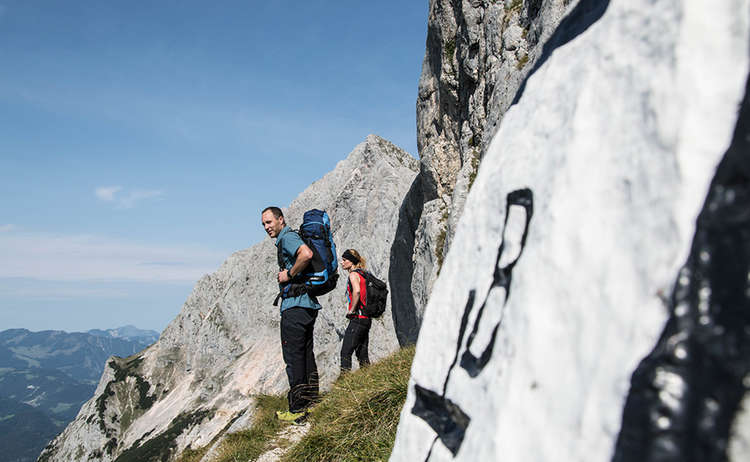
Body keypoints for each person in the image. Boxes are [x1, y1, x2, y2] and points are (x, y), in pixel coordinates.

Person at [261, 206, 320, 423]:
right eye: (264, 224)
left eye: (269, 222)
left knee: (294, 358)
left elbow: (306, 254)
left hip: (294, 307)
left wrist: (288, 274)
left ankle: (297, 409)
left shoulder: (288, 238)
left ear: (280, 219)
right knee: (306, 356)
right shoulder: (289, 237)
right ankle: (312, 404)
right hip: (307, 306)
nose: (267, 227)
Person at [340, 249, 372, 372]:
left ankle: (345, 382)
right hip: (366, 319)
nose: (342, 263)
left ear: (351, 261)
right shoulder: (363, 274)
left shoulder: (353, 274)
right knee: (362, 354)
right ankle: (369, 378)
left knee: (345, 352)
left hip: (357, 319)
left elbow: (357, 292)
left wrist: (352, 310)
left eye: (344, 260)